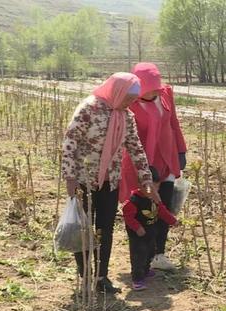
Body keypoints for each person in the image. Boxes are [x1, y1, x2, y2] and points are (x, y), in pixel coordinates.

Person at [62, 72, 160, 294]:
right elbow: (70, 143)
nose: (130, 103)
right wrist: (70, 178)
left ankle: (101, 277)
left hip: (110, 180)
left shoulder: (126, 116)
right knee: (83, 229)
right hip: (84, 180)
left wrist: (146, 179)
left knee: (105, 229)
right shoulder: (89, 108)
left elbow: (136, 148)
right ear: (116, 91)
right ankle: (85, 275)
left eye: (133, 100)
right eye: (127, 98)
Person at [120, 62, 188, 271]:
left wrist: (181, 150)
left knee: (164, 206)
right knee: (144, 211)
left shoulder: (166, 93)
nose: (151, 96)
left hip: (166, 158)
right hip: (140, 163)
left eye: (153, 92)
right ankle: (143, 257)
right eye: (147, 92)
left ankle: (160, 253)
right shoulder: (129, 101)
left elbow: (173, 122)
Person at [123, 166, 178, 291]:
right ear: (141, 185)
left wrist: (173, 221)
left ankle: (146, 270)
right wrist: (137, 228)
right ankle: (137, 279)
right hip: (138, 235)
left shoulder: (154, 199)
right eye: (152, 188)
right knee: (139, 255)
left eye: (157, 187)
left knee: (150, 252)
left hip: (151, 232)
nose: (155, 190)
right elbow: (128, 217)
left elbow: (162, 211)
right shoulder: (133, 201)